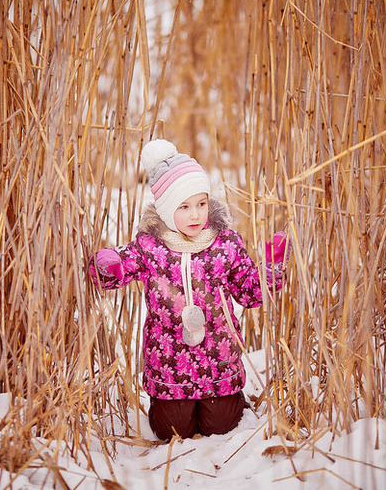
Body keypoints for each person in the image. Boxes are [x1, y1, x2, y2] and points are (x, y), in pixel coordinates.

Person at [89, 139, 287, 441]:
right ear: (168, 210)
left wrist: (270, 267)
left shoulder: (225, 244)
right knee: (171, 431)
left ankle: (229, 403)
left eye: (201, 203)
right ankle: (169, 407)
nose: (195, 215)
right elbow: (119, 270)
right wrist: (108, 265)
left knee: (221, 426)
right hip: (170, 367)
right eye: (184, 206)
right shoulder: (151, 247)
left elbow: (251, 292)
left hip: (218, 362)